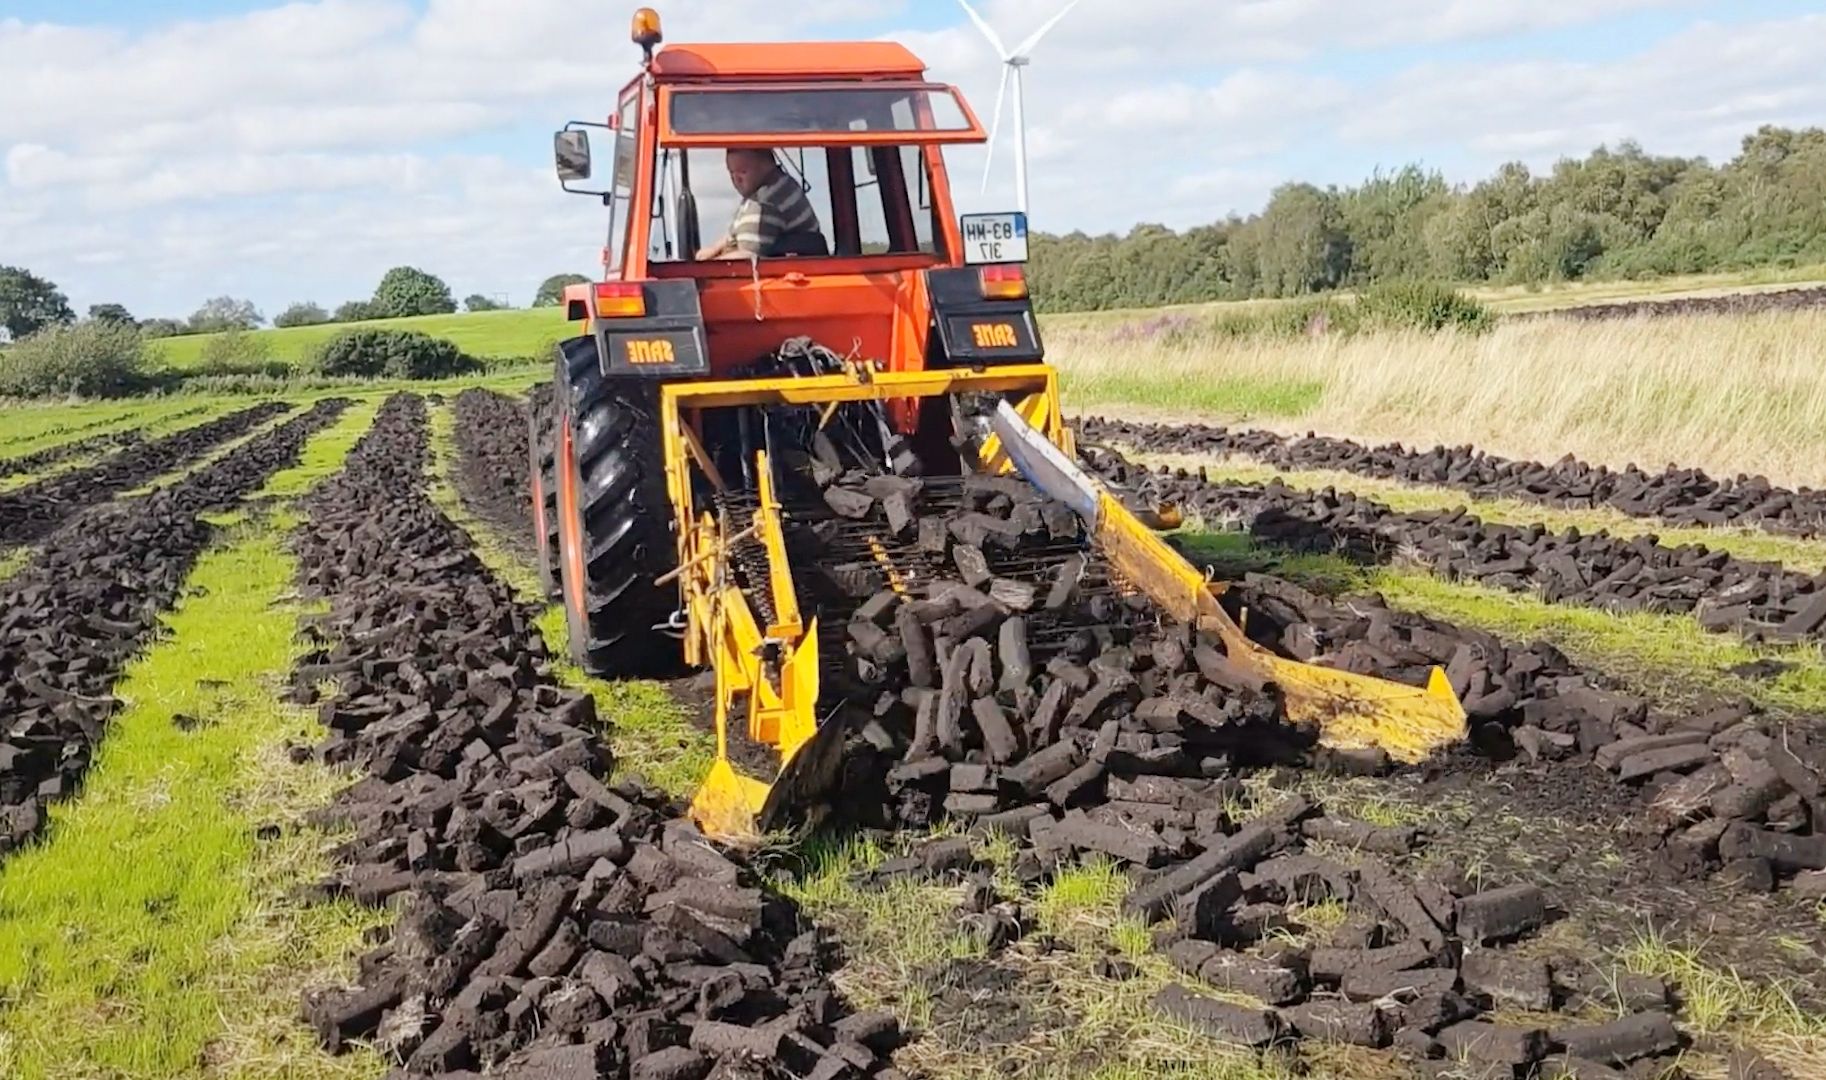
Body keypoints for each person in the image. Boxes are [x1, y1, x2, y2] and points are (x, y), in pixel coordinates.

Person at [696, 148, 826, 260]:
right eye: (731, 173)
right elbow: (735, 233)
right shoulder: (775, 184)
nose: (736, 180)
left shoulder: (766, 201)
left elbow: (747, 256)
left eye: (743, 172)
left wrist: (709, 266)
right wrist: (714, 248)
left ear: (766, 165)